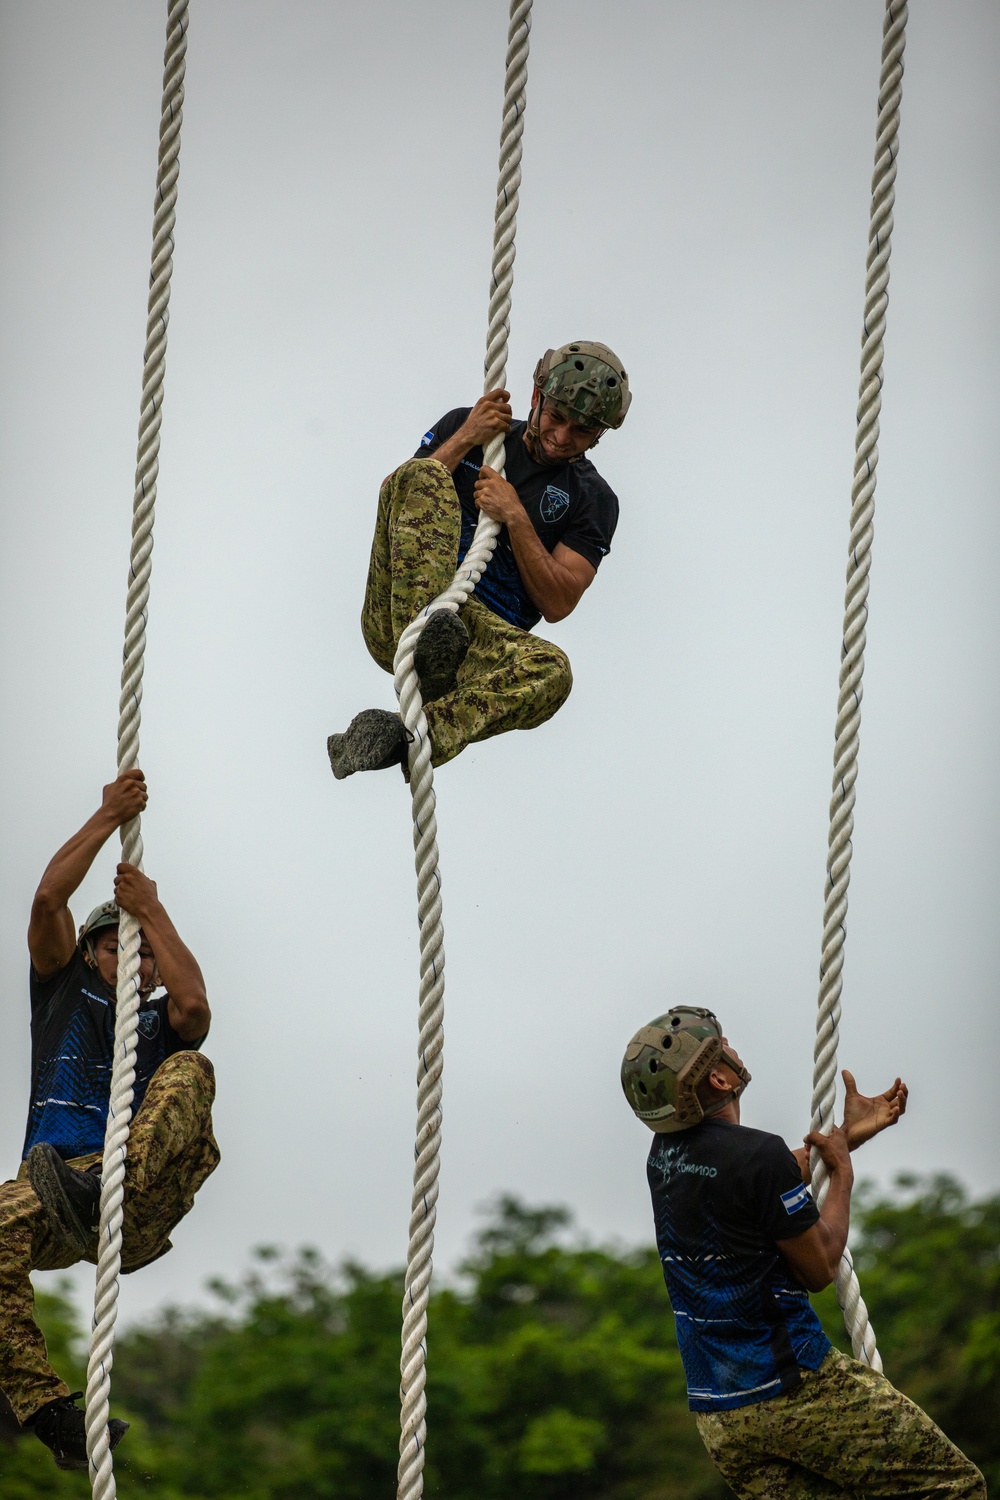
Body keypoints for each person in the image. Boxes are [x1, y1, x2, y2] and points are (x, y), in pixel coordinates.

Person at [619, 1006, 985, 1499]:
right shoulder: (757, 1154)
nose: (732, 1046)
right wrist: (843, 1177)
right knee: (953, 1486)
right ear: (722, 1079)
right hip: (797, 1391)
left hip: (720, 1418)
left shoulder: (664, 1157)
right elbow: (820, 1266)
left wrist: (844, 1140)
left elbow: (755, 1184)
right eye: (722, 1045)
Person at [0, 769, 220, 1472]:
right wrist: (105, 818)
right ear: (92, 952)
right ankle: (48, 1413)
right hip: (59, 1188)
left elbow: (197, 1013)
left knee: (192, 1069)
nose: (136, 958)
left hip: (136, 1194)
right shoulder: (65, 989)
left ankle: (115, 1184)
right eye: (120, 944)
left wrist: (150, 910)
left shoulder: (159, 1022)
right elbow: (46, 899)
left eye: (146, 954)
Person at [327, 341, 629, 778]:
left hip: (473, 643)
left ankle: (411, 738)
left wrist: (516, 517)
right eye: (557, 417)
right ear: (535, 396)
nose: (561, 437)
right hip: (398, 612)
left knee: (553, 671)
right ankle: (425, 640)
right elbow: (398, 491)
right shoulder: (468, 425)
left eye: (581, 431)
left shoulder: (594, 499)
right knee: (426, 473)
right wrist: (467, 436)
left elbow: (560, 601)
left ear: (599, 435)